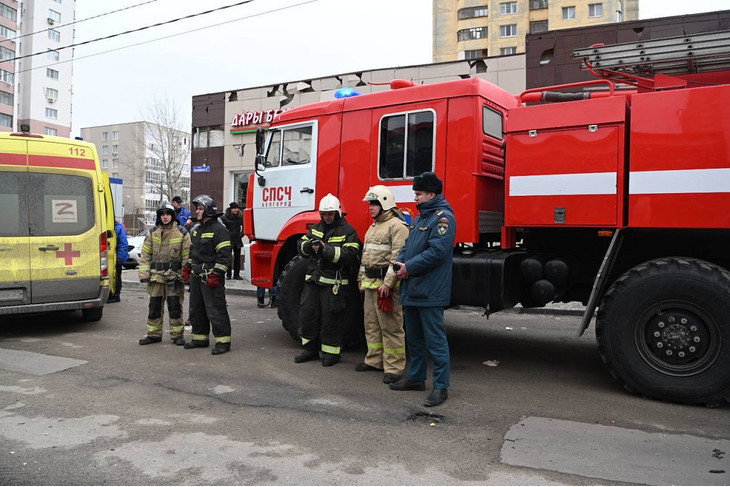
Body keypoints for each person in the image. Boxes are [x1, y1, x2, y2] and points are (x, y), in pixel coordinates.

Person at [391, 172, 456, 407]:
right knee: (415, 339)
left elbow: (437, 252)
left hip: (429, 290)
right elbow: (408, 246)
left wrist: (409, 267)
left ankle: (441, 387)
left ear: (431, 194)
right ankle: (416, 379)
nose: (415, 198)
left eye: (418, 194)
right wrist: (400, 262)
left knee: (435, 341)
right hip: (413, 287)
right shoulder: (420, 218)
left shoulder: (442, 219)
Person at [294, 193, 361, 366]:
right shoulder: (316, 227)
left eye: (330, 214)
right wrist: (309, 246)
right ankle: (310, 350)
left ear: (337, 213)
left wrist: (325, 250)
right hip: (313, 281)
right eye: (324, 214)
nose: (327, 217)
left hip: (334, 284)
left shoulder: (348, 231)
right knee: (307, 315)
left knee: (332, 320)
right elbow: (301, 246)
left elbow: (350, 256)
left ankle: (331, 353)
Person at [356, 185, 409, 384]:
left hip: (386, 287)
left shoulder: (397, 227)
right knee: (371, 325)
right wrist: (361, 278)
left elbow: (397, 258)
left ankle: (394, 367)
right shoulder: (374, 227)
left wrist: (388, 284)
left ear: (385, 204)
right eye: (370, 203)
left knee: (391, 327)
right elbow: (366, 255)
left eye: (374, 204)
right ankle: (374, 360)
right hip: (371, 284)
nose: (370, 207)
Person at [182, 195, 233, 355]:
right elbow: (193, 253)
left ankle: (223, 342)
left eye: (200, 208)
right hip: (197, 277)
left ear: (208, 210)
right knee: (196, 309)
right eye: (197, 208)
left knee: (215, 309)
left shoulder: (219, 230)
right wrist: (187, 267)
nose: (196, 211)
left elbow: (225, 256)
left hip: (211, 278)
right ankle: (199, 338)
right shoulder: (197, 230)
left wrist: (216, 274)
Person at [137, 203, 191, 346]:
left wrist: (186, 274)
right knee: (154, 307)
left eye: (168, 214)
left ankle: (177, 335)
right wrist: (144, 274)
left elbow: (187, 255)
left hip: (174, 277)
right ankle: (153, 334)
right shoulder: (152, 232)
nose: (165, 216)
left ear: (173, 216)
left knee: (175, 307)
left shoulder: (182, 233)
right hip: (156, 277)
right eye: (162, 214)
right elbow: (145, 255)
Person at [220, 202, 244, 280]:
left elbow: (245, 226)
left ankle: (237, 274)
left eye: (237, 208)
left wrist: (241, 234)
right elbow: (221, 228)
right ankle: (228, 274)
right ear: (231, 209)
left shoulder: (241, 217)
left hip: (238, 240)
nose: (236, 210)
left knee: (237, 257)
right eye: (234, 208)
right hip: (228, 240)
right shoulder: (224, 217)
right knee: (228, 257)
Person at [107, 219, 128, 303]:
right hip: (112, 257)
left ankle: (116, 295)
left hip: (116, 258)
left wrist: (120, 257)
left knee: (116, 277)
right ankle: (112, 294)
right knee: (112, 276)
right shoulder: (116, 228)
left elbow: (123, 244)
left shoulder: (118, 228)